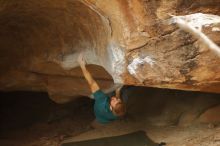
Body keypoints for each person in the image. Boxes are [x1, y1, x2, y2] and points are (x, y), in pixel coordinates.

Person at [77, 54, 126, 124]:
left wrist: (82, 65)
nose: (115, 98)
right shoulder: (117, 113)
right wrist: (117, 91)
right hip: (106, 120)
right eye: (118, 100)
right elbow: (117, 103)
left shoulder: (102, 101)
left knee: (96, 93)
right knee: (119, 94)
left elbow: (91, 82)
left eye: (114, 101)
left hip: (100, 116)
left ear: (111, 108)